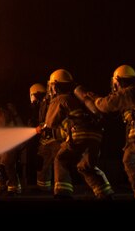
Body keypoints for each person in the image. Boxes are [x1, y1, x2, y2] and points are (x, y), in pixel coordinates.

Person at [77, 64, 135, 199]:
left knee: (132, 161)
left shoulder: (128, 92)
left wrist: (93, 98)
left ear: (118, 80)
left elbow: (105, 105)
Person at [38, 68, 114, 200]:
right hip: (96, 136)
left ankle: (63, 194)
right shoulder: (80, 98)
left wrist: (42, 128)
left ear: (55, 86)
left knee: (61, 159)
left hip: (79, 134)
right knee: (85, 166)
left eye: (51, 85)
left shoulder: (61, 99)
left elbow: (50, 123)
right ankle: (106, 194)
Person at [26, 82, 56, 191]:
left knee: (58, 164)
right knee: (42, 162)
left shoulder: (48, 103)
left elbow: (49, 120)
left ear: (36, 94)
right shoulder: (42, 104)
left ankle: (59, 190)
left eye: (31, 95)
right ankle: (43, 188)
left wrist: (41, 127)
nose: (31, 98)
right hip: (46, 139)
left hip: (54, 139)